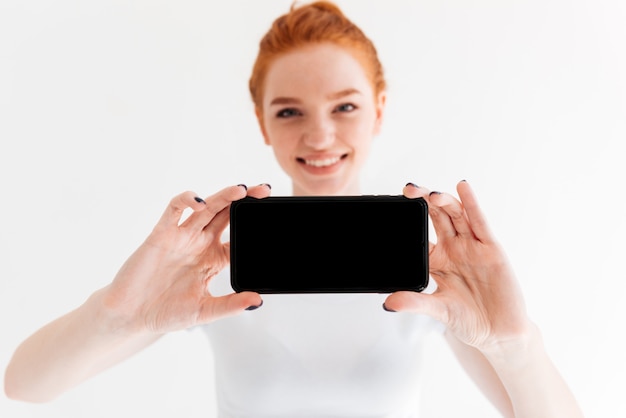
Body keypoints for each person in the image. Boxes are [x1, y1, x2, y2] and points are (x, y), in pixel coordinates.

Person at [5, 2, 584, 417]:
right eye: (289, 112)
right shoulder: (215, 272)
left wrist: (515, 342)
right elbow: (25, 386)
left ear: (379, 111)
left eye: (346, 106)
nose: (320, 136)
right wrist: (118, 312)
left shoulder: (432, 277)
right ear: (261, 122)